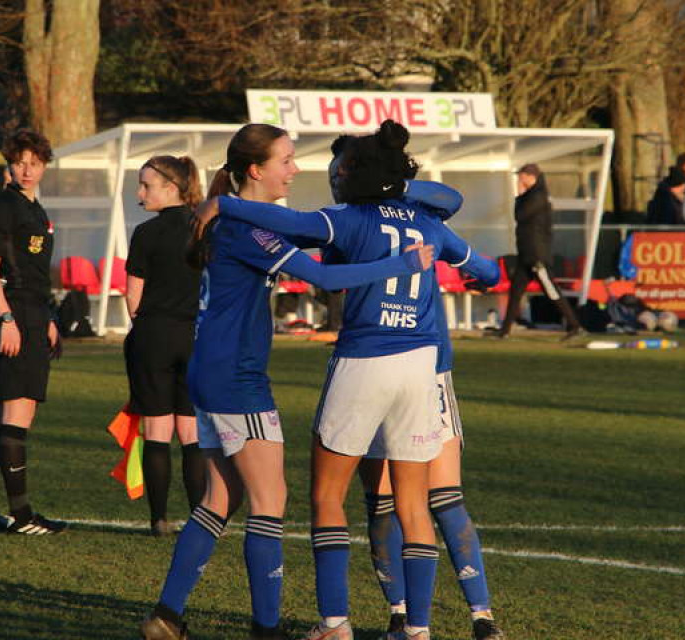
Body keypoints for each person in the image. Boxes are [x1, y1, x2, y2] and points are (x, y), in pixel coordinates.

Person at [205, 120, 499, 640]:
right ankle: (418, 630)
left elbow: (295, 225)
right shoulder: (428, 221)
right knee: (414, 503)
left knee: (326, 495)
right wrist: (478, 271)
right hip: (420, 365)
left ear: (352, 174)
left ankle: (336, 622)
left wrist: (222, 203)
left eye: (337, 172)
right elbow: (489, 270)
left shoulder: (346, 219)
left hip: (365, 359)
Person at [140, 123, 435, 640]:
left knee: (219, 498)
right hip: (236, 375)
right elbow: (321, 279)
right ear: (256, 169)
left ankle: (167, 616)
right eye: (287, 160)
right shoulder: (247, 230)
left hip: (211, 370)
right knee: (270, 500)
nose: (295, 170)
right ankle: (267, 629)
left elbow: (307, 240)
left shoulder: (235, 220)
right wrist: (399, 262)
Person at [0, 129, 65, 535]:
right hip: (14, 316)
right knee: (17, 412)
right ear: (9, 164)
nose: (27, 169)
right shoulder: (6, 206)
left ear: (44, 164)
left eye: (35, 162)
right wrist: (7, 319)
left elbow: (35, 274)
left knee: (0, 415)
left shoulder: (36, 208)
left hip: (32, 314)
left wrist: (46, 317)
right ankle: (21, 516)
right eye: (20, 161)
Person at [124, 155, 206, 536]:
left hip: (153, 335)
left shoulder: (145, 233)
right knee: (191, 433)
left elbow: (133, 299)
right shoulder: (205, 228)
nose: (140, 193)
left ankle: (158, 519)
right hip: (194, 337)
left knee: (156, 430)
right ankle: (201, 519)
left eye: (146, 185)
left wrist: (148, 327)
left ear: (171, 188)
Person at [495, 164, 582, 340]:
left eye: (521, 176)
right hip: (525, 256)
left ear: (530, 176)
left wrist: (519, 196)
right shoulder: (531, 196)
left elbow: (520, 215)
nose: (519, 180)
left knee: (551, 290)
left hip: (536, 257)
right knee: (515, 292)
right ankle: (504, 330)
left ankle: (574, 325)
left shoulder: (537, 196)